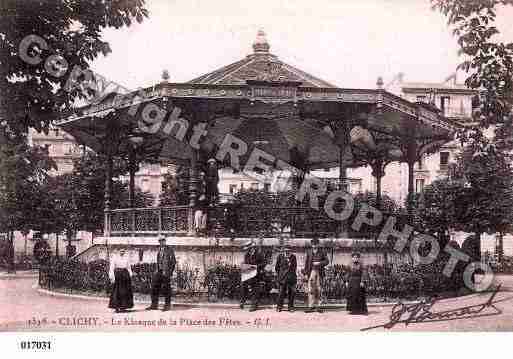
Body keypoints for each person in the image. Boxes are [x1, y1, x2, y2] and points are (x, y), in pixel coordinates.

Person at [146, 236, 176, 312]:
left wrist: (170, 272)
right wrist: (157, 269)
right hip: (159, 271)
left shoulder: (169, 250)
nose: (161, 242)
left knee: (166, 289)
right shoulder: (159, 249)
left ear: (165, 241)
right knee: (154, 287)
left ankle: (167, 306)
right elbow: (158, 260)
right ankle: (154, 305)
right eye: (160, 241)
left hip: (166, 272)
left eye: (163, 241)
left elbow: (173, 262)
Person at [302, 237, 329, 313]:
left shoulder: (322, 252)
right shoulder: (309, 252)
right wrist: (306, 274)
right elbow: (306, 264)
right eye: (313, 244)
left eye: (316, 243)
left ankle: (319, 306)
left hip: (319, 272)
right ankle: (311, 306)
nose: (314, 245)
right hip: (311, 272)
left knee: (319, 289)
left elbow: (327, 261)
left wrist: (319, 263)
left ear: (318, 244)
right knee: (311, 289)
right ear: (311, 244)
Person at [240, 239, 267, 312]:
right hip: (248, 273)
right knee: (243, 285)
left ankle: (254, 305)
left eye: (249, 249)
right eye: (247, 249)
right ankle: (243, 300)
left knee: (255, 289)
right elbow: (246, 263)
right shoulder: (247, 255)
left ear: (253, 248)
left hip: (257, 274)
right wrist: (244, 266)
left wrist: (256, 266)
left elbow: (264, 263)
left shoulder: (259, 254)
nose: (248, 250)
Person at [108, 248, 134, 313]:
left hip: (125, 275)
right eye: (121, 251)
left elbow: (128, 267)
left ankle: (123, 307)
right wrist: (111, 276)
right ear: (118, 251)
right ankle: (116, 307)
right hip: (118, 275)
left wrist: (130, 275)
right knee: (117, 292)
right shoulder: (115, 258)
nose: (122, 252)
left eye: (123, 251)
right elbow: (112, 267)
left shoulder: (126, 258)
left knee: (125, 291)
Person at [275, 245, 297, 312]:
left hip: (291, 278)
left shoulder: (293, 257)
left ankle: (290, 307)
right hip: (282, 278)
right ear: (284, 251)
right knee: (281, 293)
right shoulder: (280, 256)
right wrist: (280, 275)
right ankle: (279, 307)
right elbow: (277, 267)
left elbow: (294, 267)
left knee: (291, 293)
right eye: (286, 250)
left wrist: (292, 275)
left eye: (289, 251)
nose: (287, 252)